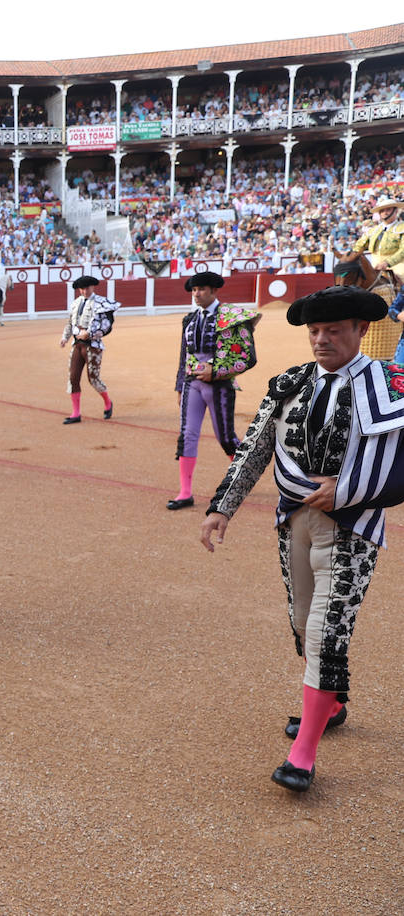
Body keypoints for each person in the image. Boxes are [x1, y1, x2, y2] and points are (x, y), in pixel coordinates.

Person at [201, 286, 404, 794]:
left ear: (360, 330)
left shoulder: (393, 385)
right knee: (302, 620)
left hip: (353, 528)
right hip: (294, 519)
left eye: (334, 330)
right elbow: (254, 448)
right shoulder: (289, 384)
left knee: (324, 630)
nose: (321, 340)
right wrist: (222, 506)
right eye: (315, 331)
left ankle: (303, 754)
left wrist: (353, 487)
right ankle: (332, 702)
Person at [168, 271, 261, 510]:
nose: (196, 294)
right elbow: (183, 356)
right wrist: (180, 386)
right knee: (187, 435)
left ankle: (245, 477)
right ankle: (185, 492)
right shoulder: (189, 319)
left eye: (200, 289)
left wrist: (216, 370)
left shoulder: (230, 317)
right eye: (193, 290)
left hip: (219, 385)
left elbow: (248, 357)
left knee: (226, 438)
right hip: (192, 383)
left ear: (213, 291)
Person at [349, 198, 404, 359]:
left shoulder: (402, 228)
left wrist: (388, 262)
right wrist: (349, 257)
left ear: (395, 210)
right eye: (382, 210)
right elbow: (359, 247)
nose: (385, 213)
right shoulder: (373, 230)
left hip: (397, 264)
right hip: (374, 264)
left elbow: (403, 250)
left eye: (388, 210)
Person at [59, 275, 118, 424]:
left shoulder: (101, 303)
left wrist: (90, 334)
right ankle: (76, 413)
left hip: (93, 346)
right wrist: (65, 337)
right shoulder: (75, 303)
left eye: (87, 288)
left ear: (93, 287)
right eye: (82, 289)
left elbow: (106, 326)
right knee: (73, 378)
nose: (84, 291)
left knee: (93, 379)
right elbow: (70, 322)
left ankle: (108, 403)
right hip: (77, 344)